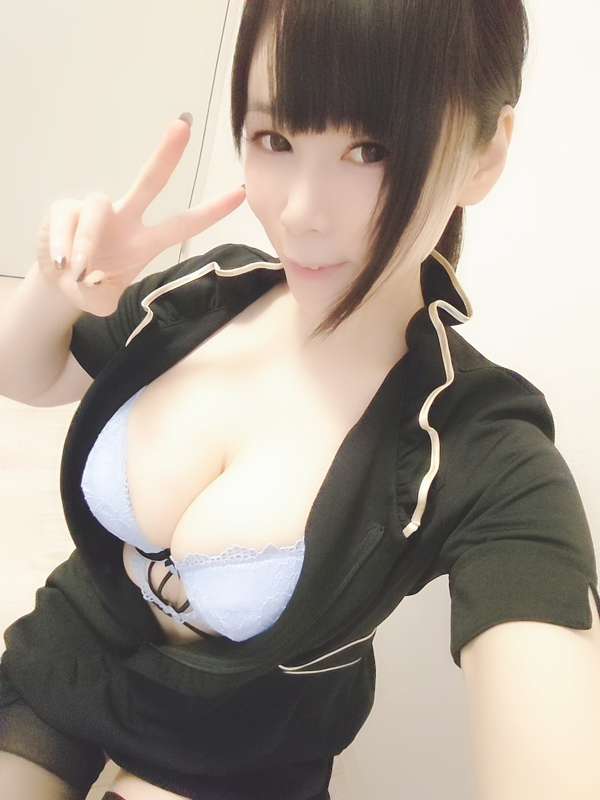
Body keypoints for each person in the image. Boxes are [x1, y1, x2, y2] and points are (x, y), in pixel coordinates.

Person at [1, 2, 598, 799]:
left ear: (483, 155)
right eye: (275, 139)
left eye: (372, 149)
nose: (301, 212)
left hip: (234, 757)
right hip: (67, 663)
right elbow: (29, 378)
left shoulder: (475, 442)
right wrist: (58, 283)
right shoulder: (209, 291)